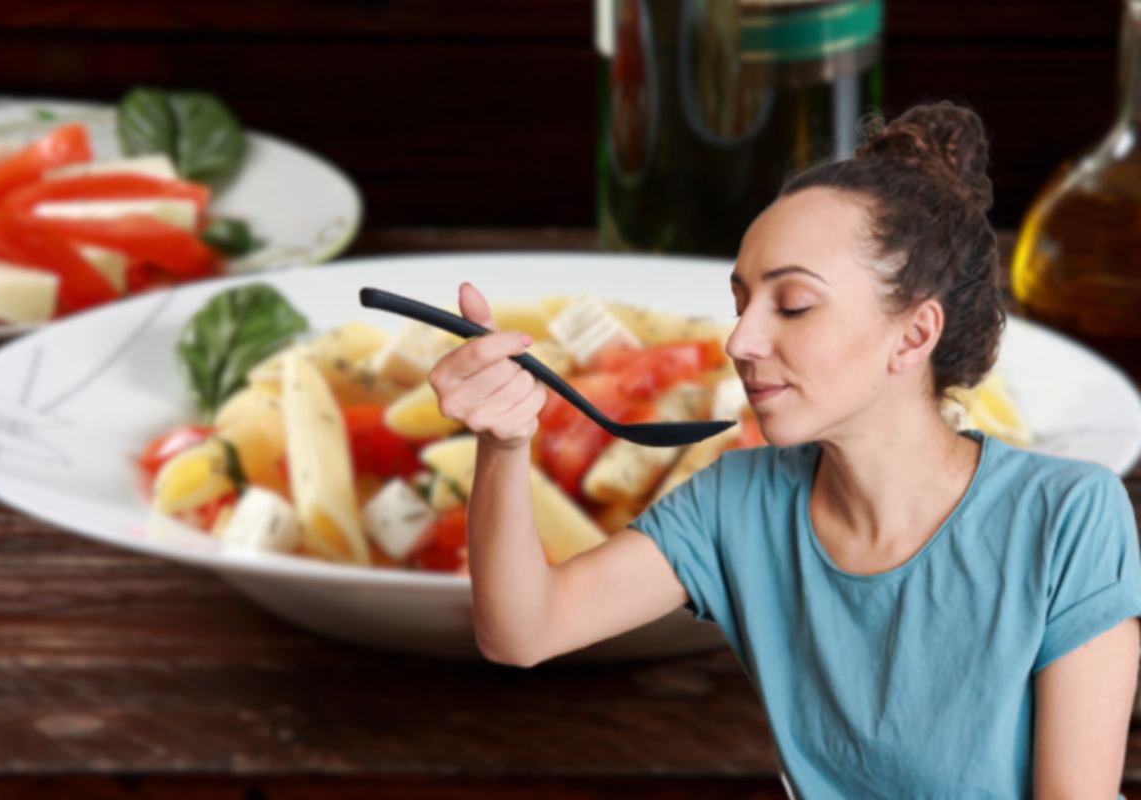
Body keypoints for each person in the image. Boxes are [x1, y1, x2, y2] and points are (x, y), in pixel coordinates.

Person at [426, 101, 1141, 798]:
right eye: (741, 305)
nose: (740, 342)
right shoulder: (736, 502)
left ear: (914, 335)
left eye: (793, 304)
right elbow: (522, 631)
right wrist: (505, 442)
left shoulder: (1067, 515)